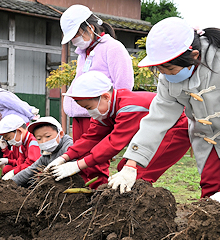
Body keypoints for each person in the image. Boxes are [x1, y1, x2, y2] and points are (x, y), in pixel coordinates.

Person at [108, 17, 220, 200]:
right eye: (160, 69)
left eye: (169, 68)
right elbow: (156, 120)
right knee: (211, 192)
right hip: (207, 138)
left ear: (194, 56)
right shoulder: (167, 81)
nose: (165, 74)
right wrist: (131, 164)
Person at [46, 71, 190, 189]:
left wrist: (78, 165)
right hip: (158, 131)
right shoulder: (106, 110)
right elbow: (91, 138)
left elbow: (113, 143)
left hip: (177, 127)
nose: (90, 113)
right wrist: (64, 157)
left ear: (105, 96)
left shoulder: (129, 108)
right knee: (123, 167)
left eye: (89, 108)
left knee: (138, 173)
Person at [59, 4, 134, 184]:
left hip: (98, 114)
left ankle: (97, 195)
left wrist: (112, 116)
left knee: (96, 161)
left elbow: (124, 85)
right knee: (80, 158)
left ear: (90, 27)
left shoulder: (113, 48)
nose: (74, 40)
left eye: (76, 34)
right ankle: (83, 197)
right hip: (80, 113)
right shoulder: (84, 53)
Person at [11, 117, 73, 187]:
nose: (44, 141)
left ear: (61, 134)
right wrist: (10, 183)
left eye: (48, 136)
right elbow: (30, 170)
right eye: (39, 139)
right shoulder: (47, 154)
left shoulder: (69, 146)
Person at [0, 114, 41, 180]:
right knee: (7, 169)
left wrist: (14, 172)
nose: (9, 142)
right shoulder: (22, 143)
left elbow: (32, 164)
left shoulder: (33, 142)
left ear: (19, 131)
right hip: (29, 171)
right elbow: (19, 162)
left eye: (9, 138)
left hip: (36, 175)